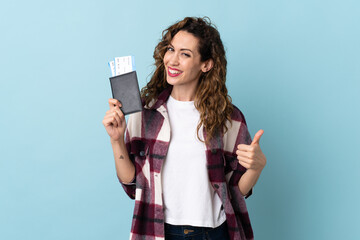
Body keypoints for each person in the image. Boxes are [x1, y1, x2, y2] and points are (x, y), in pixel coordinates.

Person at [102, 16, 266, 240]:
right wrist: (116, 140)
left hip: (214, 233)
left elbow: (236, 192)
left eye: (185, 54)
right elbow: (133, 185)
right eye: (171, 49)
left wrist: (256, 168)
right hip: (159, 232)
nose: (172, 60)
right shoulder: (145, 113)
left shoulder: (228, 118)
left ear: (206, 64)